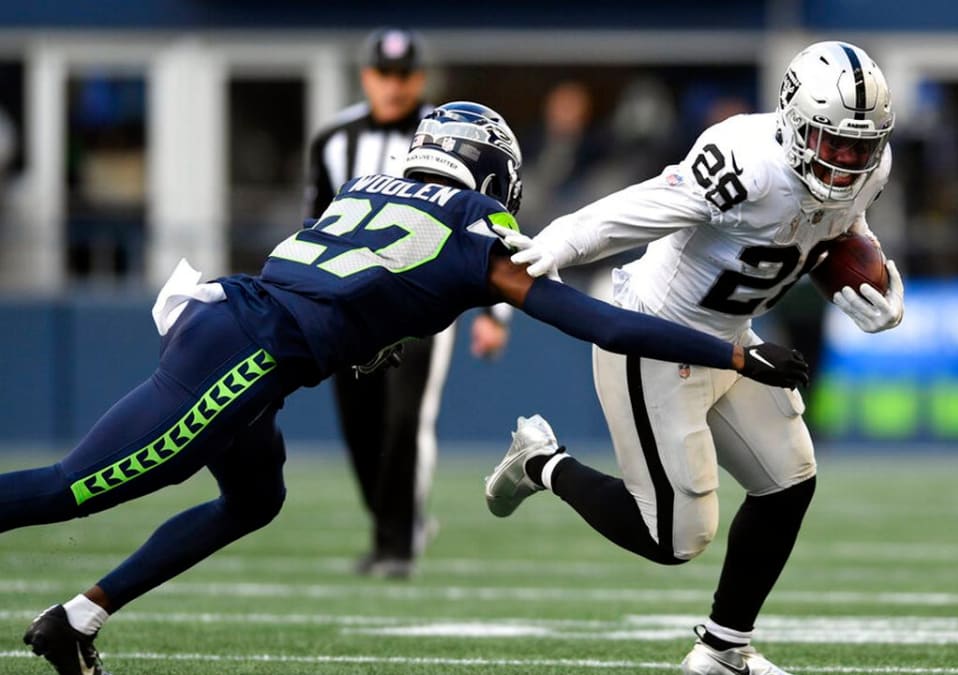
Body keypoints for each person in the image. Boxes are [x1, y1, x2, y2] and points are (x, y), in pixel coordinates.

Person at [6, 100, 809, 675]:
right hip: (243, 357)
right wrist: (735, 359)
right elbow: (605, 324)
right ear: (493, 173)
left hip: (231, 318)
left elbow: (334, 279)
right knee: (72, 488)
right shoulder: (474, 231)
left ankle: (75, 620)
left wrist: (370, 335)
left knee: (254, 500)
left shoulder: (362, 190)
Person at [483, 41, 905, 675]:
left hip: (734, 337)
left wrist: (878, 283)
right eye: (832, 143)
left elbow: (840, 225)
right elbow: (636, 209)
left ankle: (723, 649)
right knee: (676, 537)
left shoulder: (871, 166)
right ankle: (542, 462)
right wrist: (558, 245)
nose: (847, 160)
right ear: (793, 121)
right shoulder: (744, 161)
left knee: (789, 479)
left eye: (859, 146)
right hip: (655, 334)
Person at [306, 27, 510, 577]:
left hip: (424, 300)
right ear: (366, 77)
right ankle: (393, 524)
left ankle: (397, 544)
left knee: (405, 418)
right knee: (359, 422)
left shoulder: (455, 134)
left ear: (420, 78)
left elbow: (496, 220)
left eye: (404, 75)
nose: (394, 86)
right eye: (383, 74)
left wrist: (495, 311)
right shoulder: (333, 140)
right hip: (349, 298)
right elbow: (316, 224)